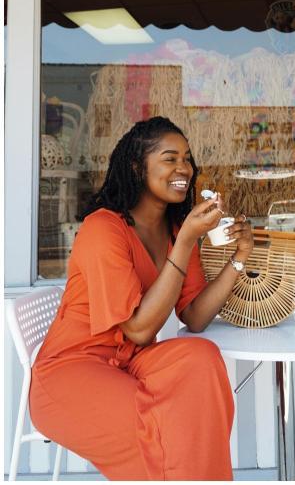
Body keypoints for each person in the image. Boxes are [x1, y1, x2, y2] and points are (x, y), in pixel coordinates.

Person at [29, 116, 254, 481]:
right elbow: (136, 328)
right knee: (164, 426)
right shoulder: (103, 228)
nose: (184, 168)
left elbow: (194, 317)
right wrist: (185, 243)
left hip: (132, 364)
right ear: (138, 166)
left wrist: (239, 257)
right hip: (72, 372)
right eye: (170, 158)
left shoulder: (176, 228)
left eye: (187, 158)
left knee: (202, 358)